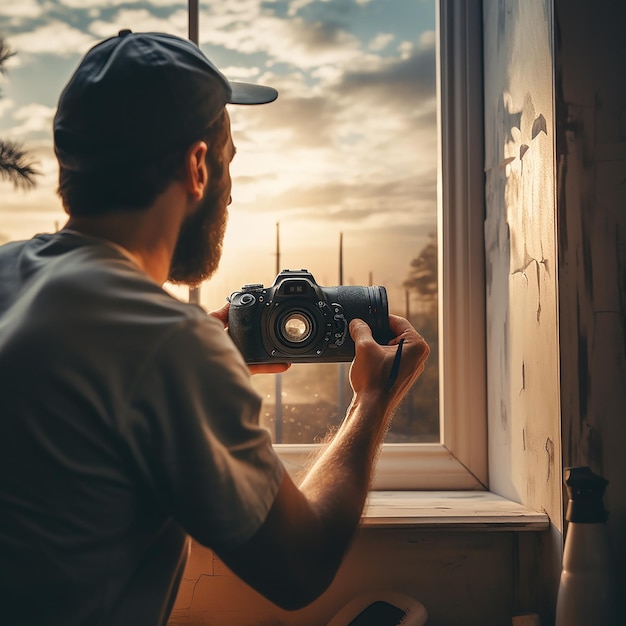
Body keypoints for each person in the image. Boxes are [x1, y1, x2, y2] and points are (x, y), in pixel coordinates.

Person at [0, 31, 430, 626]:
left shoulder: (11, 277)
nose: (231, 190)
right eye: (229, 162)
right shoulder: (165, 344)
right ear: (197, 167)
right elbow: (298, 568)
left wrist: (188, 368)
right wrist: (374, 402)